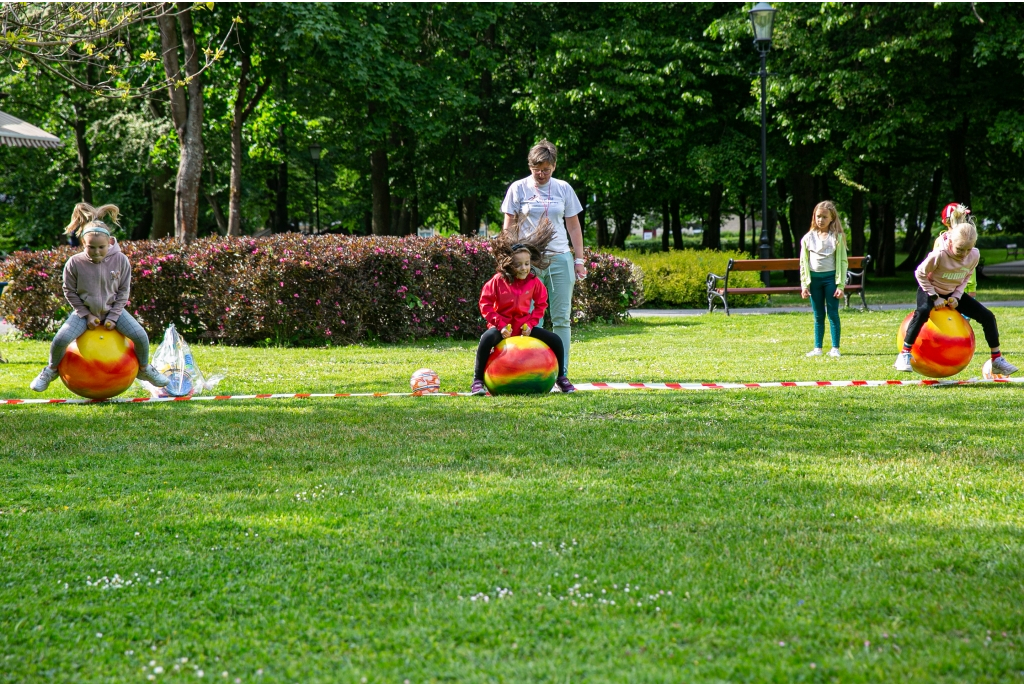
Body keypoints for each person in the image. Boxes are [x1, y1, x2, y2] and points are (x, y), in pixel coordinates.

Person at [30, 203, 170, 392]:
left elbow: (123, 291)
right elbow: (69, 290)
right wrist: (85, 315)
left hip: (114, 311)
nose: (96, 252)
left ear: (110, 242)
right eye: (91, 247)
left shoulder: (121, 260)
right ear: (83, 244)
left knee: (140, 336)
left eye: (101, 247)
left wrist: (112, 317)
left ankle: (144, 369)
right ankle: (50, 370)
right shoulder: (75, 262)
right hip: (83, 314)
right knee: (60, 340)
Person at [895, 205, 1017, 375]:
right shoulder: (940, 254)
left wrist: (957, 296)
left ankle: (997, 359)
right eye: (960, 249)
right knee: (922, 312)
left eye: (968, 249)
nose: (964, 254)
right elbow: (920, 274)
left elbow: (966, 275)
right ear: (951, 241)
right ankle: (904, 354)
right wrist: (934, 296)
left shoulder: (974, 255)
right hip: (930, 288)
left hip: (952, 292)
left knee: (987, 316)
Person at [500, 139, 586, 373]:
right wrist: (509, 258)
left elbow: (574, 227)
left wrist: (579, 260)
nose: (542, 174)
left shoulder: (564, 188)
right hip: (529, 261)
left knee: (561, 319)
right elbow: (509, 225)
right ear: (530, 167)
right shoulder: (518, 188)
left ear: (554, 166)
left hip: (560, 258)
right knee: (528, 318)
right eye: (537, 169)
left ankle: (562, 372)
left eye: (546, 169)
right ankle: (531, 368)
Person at [471, 215, 575, 395]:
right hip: (502, 329)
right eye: (519, 265)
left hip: (524, 327)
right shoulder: (497, 281)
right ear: (509, 264)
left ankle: (561, 378)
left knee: (556, 340)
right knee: (486, 339)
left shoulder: (534, 282)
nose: (524, 268)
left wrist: (532, 324)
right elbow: (485, 304)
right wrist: (501, 326)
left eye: (527, 264)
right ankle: (478, 381)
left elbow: (542, 304)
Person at [799, 200, 848, 358]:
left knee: (832, 313)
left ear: (832, 218)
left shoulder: (837, 238)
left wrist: (840, 286)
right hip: (814, 281)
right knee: (818, 314)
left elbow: (842, 262)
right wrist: (804, 285)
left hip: (830, 281)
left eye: (824, 217)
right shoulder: (808, 238)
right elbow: (803, 263)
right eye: (818, 216)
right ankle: (817, 348)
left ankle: (835, 348)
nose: (821, 220)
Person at [937, 202, 976, 298]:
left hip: (943, 289)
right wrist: (972, 289)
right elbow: (970, 268)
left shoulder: (940, 240)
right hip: (961, 290)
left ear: (944, 222)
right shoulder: (967, 238)